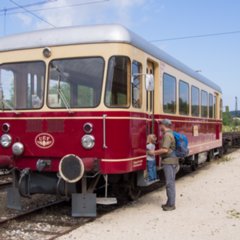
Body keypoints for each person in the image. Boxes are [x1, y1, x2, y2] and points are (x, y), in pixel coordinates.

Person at [150, 119, 179, 211]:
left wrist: (153, 152)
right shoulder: (170, 134)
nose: (159, 126)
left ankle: (171, 205)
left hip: (169, 162)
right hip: (170, 161)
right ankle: (169, 202)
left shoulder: (167, 135)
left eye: (160, 124)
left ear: (163, 125)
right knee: (170, 183)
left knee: (169, 183)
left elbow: (165, 150)